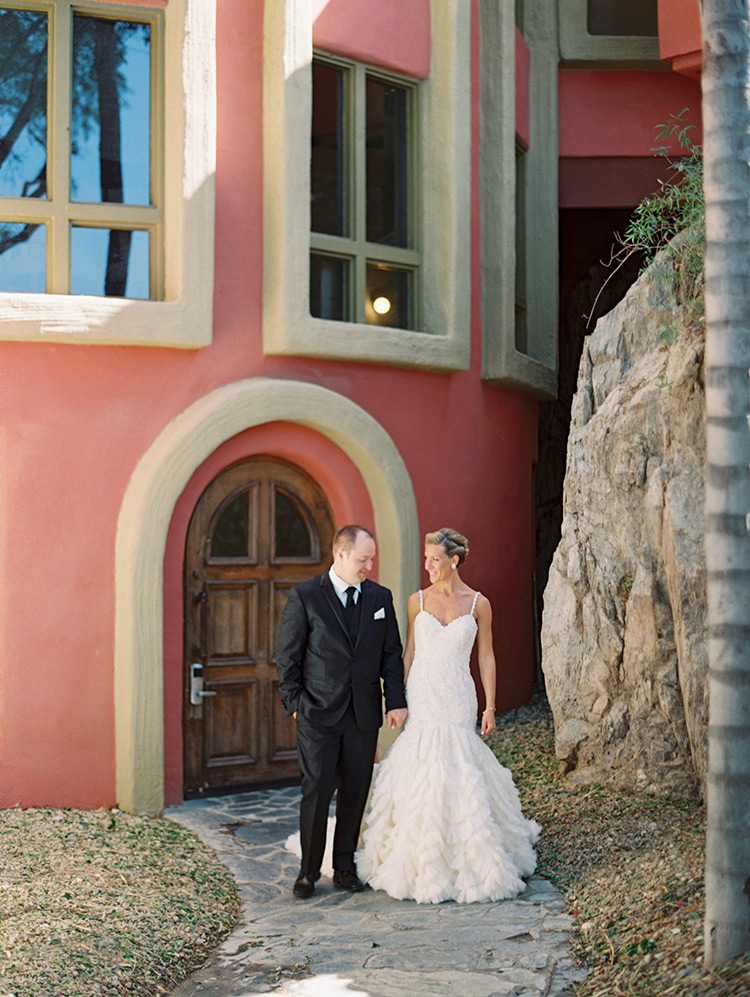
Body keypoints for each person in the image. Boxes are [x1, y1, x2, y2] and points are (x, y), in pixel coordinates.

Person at [355, 527, 541, 904]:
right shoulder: (416, 601)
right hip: (423, 694)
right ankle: (419, 857)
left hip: (458, 696)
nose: (428, 567)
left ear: (453, 561)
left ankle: (466, 856)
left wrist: (489, 706)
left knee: (457, 764)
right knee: (423, 765)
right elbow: (408, 654)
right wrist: (397, 699)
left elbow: (486, 656)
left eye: (435, 560)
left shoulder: (478, 604)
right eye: (426, 560)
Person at [276, 524, 408, 899]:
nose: (369, 566)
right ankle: (308, 872)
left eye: (372, 559)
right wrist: (296, 705)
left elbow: (391, 655)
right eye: (364, 559)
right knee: (316, 790)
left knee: (355, 791)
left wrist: (395, 700)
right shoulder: (304, 597)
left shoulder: (380, 598)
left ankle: (345, 867)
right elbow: (286, 658)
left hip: (363, 715)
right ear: (341, 554)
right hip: (316, 714)